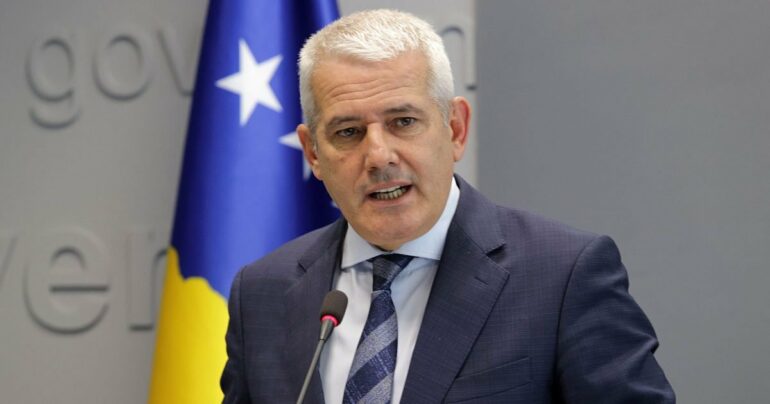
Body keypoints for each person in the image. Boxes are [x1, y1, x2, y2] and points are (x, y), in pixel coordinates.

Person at [221, 9, 675, 404]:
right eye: (348, 133)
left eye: (403, 122)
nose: (378, 156)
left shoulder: (562, 276)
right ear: (314, 153)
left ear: (455, 129)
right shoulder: (262, 292)